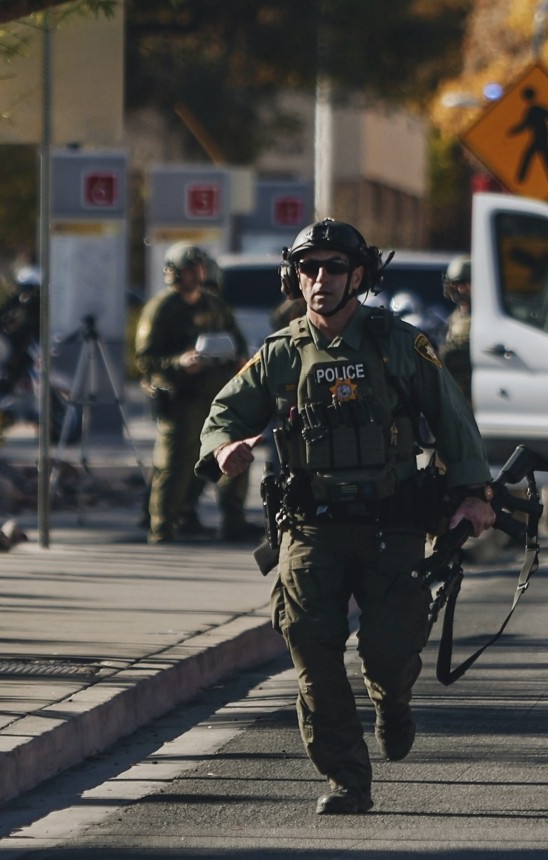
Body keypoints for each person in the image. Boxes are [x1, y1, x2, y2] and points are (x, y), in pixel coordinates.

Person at [196, 219, 495, 815]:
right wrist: (224, 447)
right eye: (309, 268)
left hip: (392, 524)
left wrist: (473, 491)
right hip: (312, 529)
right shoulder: (282, 353)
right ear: (294, 277)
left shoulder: (398, 343)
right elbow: (225, 411)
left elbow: (451, 415)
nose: (320, 279)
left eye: (334, 267)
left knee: (388, 648)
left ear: (358, 276)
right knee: (312, 651)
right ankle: (347, 781)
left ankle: (391, 697)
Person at [135, 243, 258, 545]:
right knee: (174, 463)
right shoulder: (162, 309)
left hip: (218, 396)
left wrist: (240, 358)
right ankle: (162, 527)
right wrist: (180, 362)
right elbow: (145, 358)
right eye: (189, 269)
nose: (196, 274)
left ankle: (233, 521)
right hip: (181, 398)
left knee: (233, 456)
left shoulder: (214, 305)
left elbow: (237, 341)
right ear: (174, 273)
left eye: (199, 268)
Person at [438, 255, 472, 404]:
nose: (458, 289)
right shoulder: (454, 317)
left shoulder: (483, 316)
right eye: (454, 284)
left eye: (462, 283)